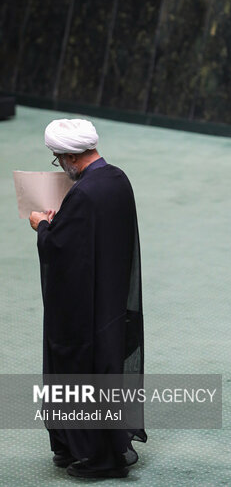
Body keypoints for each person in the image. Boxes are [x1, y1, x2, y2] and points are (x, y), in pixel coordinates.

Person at [29, 118, 147, 479]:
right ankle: (97, 447)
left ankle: (94, 456)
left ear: (69, 157)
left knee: (76, 372)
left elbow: (62, 251)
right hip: (111, 301)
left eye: (57, 158)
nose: (58, 164)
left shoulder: (82, 194)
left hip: (84, 311)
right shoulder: (117, 179)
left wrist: (43, 225)